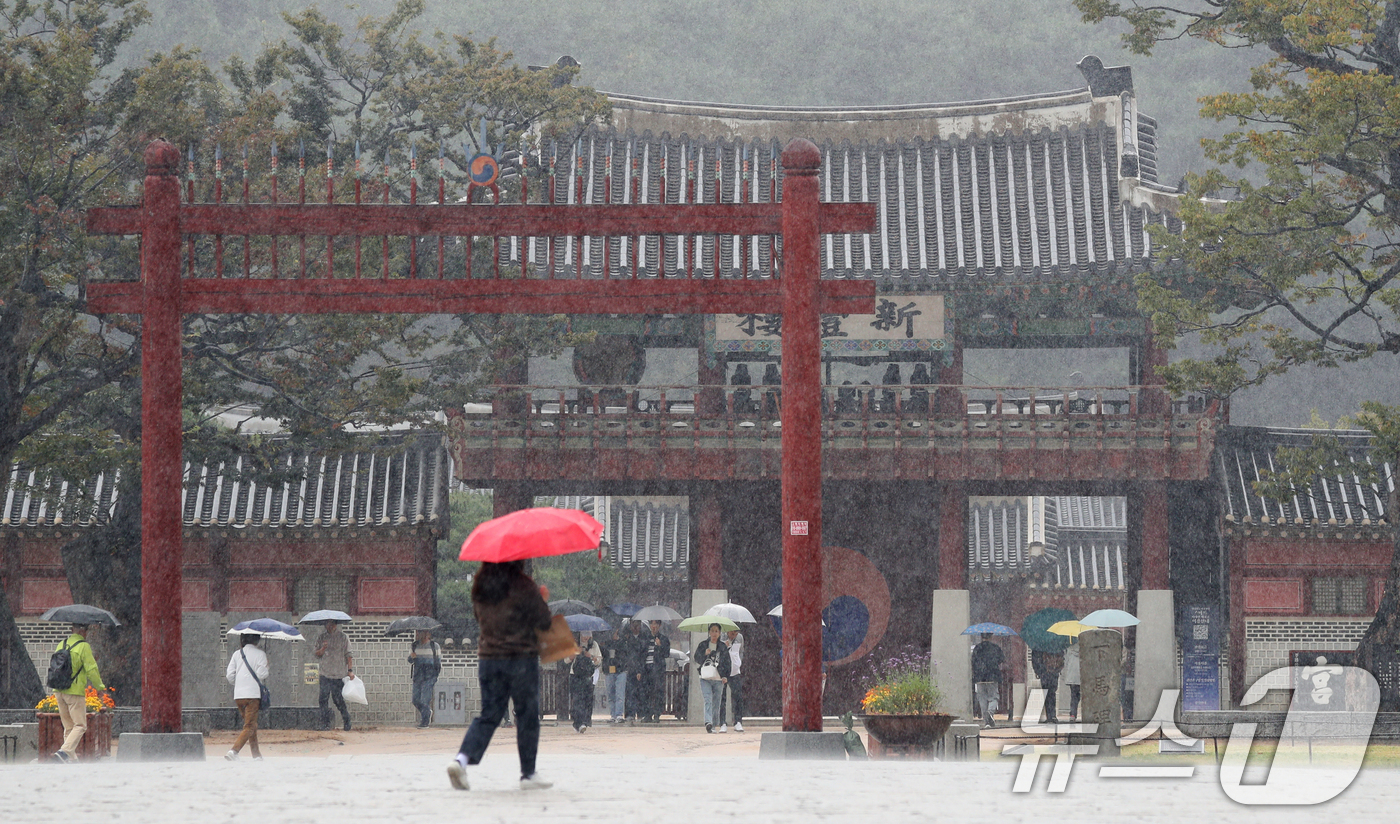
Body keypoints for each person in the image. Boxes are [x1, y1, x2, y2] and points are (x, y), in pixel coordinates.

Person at [447, 560, 554, 791]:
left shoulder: (480, 587)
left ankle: (461, 761)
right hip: (520, 659)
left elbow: (480, 620)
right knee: (526, 715)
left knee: (489, 715)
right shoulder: (523, 585)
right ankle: (528, 773)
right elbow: (544, 622)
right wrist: (542, 600)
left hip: (489, 659)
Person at [50, 623, 107, 763]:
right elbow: (91, 669)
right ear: (83, 631)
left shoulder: (61, 644)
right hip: (74, 691)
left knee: (69, 726)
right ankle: (64, 752)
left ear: (71, 630)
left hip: (58, 689)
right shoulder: (83, 646)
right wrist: (99, 687)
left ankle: (71, 759)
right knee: (80, 725)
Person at [224, 633, 269, 761]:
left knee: (250, 725)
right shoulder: (260, 654)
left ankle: (256, 755)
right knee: (250, 726)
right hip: (252, 695)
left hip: (239, 695)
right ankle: (234, 751)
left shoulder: (237, 654)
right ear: (257, 640)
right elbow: (262, 674)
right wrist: (267, 666)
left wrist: (239, 683)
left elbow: (229, 676)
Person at [313, 620, 355, 731]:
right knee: (323, 699)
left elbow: (349, 655)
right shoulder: (322, 637)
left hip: (338, 674)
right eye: (328, 624)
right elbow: (316, 654)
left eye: (332, 624)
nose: (330, 626)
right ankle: (325, 724)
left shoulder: (343, 637)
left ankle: (347, 720)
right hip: (324, 673)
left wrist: (350, 670)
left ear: (336, 625)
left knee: (338, 699)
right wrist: (323, 648)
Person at [692, 623, 731, 733]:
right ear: (709, 632)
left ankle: (713, 725)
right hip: (705, 677)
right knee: (707, 699)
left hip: (718, 678)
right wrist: (705, 653)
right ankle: (708, 722)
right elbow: (697, 659)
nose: (714, 633)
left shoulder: (722, 647)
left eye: (716, 631)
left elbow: (727, 662)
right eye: (712, 631)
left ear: (719, 633)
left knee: (717, 702)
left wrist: (725, 676)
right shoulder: (703, 644)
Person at [567, 631, 602, 732]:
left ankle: (585, 721)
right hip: (575, 675)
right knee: (577, 699)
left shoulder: (594, 645)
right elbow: (566, 660)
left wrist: (589, 656)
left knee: (587, 700)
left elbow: (598, 660)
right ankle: (578, 722)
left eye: (588, 634)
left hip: (587, 675)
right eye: (584, 634)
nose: (586, 637)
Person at [970, 634, 1006, 728]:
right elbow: (1002, 659)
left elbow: (972, 661)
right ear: (991, 637)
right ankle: (990, 713)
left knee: (982, 699)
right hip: (992, 676)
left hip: (979, 677)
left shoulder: (977, 648)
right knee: (994, 697)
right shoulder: (995, 647)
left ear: (981, 637)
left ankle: (986, 722)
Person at [409, 629, 442, 729]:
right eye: (419, 633)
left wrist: (435, 675)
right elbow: (410, 660)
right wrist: (412, 657)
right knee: (415, 700)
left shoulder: (434, 646)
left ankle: (425, 721)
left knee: (424, 699)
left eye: (423, 632)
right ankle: (427, 712)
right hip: (418, 675)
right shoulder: (414, 646)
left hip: (429, 675)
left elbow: (438, 662)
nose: (421, 635)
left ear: (428, 634)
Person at [638, 619, 669, 722]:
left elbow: (666, 654)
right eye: (652, 623)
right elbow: (641, 655)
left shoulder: (663, 639)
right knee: (646, 692)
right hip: (646, 669)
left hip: (657, 669)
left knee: (657, 692)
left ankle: (656, 714)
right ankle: (647, 714)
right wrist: (639, 670)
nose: (653, 626)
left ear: (659, 625)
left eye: (656, 624)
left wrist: (659, 646)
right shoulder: (645, 638)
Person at [598, 625, 627, 724]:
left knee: (619, 693)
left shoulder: (623, 643)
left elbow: (625, 655)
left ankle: (619, 714)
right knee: (610, 694)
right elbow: (602, 654)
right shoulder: (606, 644)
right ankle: (613, 715)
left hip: (620, 670)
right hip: (609, 671)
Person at [718, 628, 744, 733]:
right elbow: (718, 652)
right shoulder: (722, 637)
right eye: (732, 633)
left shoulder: (740, 638)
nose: (733, 635)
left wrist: (739, 662)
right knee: (722, 697)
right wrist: (725, 646)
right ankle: (722, 722)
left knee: (737, 696)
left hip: (735, 670)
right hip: (723, 670)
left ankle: (738, 721)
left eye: (735, 633)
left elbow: (741, 651)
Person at [1031, 647, 1065, 722]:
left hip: (1044, 673)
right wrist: (1057, 669)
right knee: (1052, 694)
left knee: (1046, 694)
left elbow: (1034, 660)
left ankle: (1049, 716)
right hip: (1053, 672)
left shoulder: (1038, 646)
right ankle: (1053, 715)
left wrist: (1038, 671)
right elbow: (1062, 658)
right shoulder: (1056, 645)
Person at [622, 619, 645, 724]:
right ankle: (629, 714)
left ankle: (640, 713)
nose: (635, 627)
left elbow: (642, 656)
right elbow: (625, 654)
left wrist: (639, 670)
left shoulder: (644, 637)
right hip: (629, 669)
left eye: (637, 624)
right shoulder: (626, 638)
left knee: (640, 692)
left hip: (640, 669)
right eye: (633, 625)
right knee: (629, 693)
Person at [1063, 640, 1082, 721]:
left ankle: (1073, 714)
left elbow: (1066, 662)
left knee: (1074, 696)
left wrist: (1065, 675)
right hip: (1082, 676)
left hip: (1073, 677)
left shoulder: (1070, 649)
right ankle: (1086, 714)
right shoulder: (1085, 649)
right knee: (1085, 696)